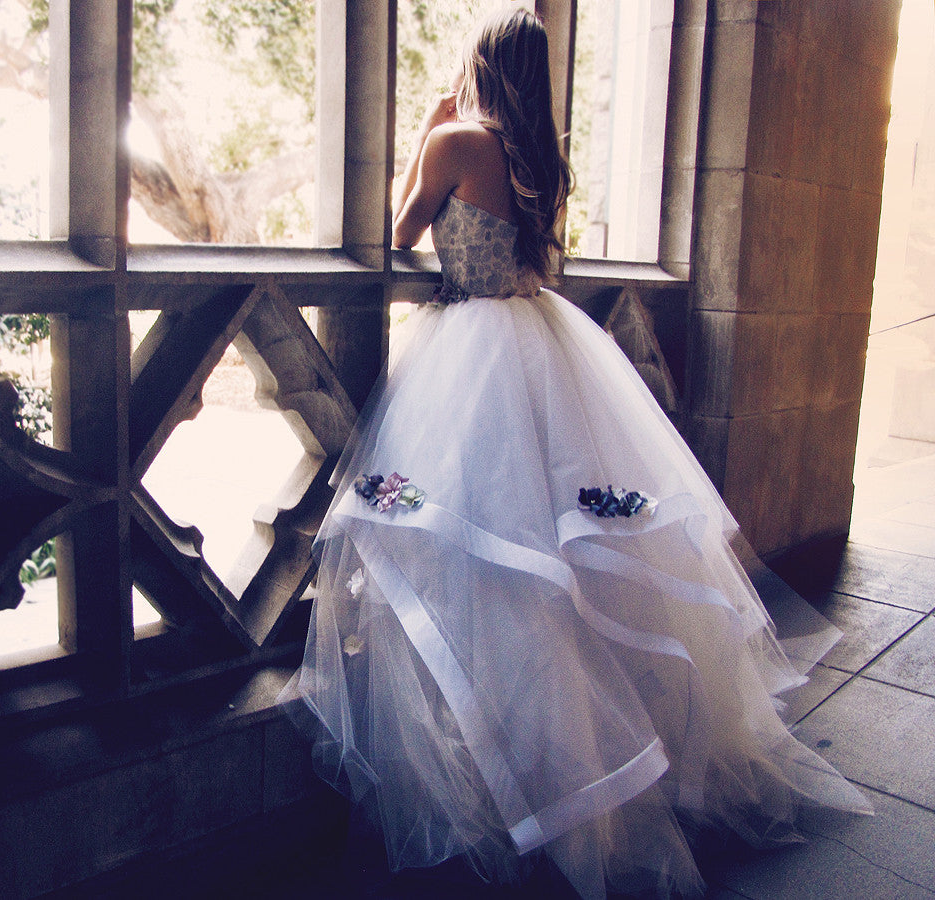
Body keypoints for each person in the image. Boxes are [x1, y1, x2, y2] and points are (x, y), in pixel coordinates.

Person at [283, 6, 871, 899]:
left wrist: (428, 128)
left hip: (469, 351)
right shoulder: (541, 158)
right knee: (561, 554)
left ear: (480, 65)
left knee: (485, 554)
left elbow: (400, 233)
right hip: (541, 339)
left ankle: (503, 760)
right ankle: (591, 753)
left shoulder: (456, 140)